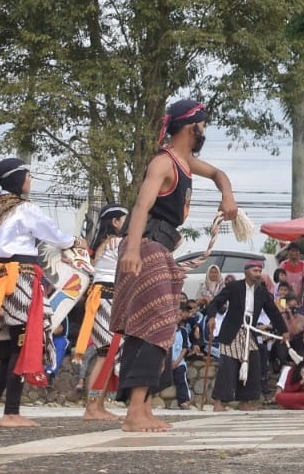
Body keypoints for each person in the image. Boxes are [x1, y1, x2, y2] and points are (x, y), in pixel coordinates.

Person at [113, 99, 237, 432]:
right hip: (146, 244)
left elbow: (218, 174)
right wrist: (134, 249)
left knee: (151, 328)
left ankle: (142, 407)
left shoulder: (185, 162)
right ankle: (135, 411)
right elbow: (142, 204)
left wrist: (228, 196)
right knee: (155, 326)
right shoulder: (163, 162)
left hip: (160, 247)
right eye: (203, 125)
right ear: (192, 127)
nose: (204, 131)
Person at [0, 158, 80, 429]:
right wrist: (73, 242)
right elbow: (52, 234)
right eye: (28, 176)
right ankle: (11, 412)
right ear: (18, 179)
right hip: (21, 278)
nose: (30, 181)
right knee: (24, 340)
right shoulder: (25, 209)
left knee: (8, 352)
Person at [206, 260, 287, 411]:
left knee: (253, 362)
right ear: (246, 272)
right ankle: (218, 402)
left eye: (259, 271)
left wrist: (284, 331)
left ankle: (246, 401)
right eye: (255, 271)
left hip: (249, 332)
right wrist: (211, 317)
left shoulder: (262, 292)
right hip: (231, 331)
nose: (258, 274)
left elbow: (274, 312)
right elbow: (215, 303)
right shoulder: (234, 287)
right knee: (227, 367)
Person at [74, 205, 129, 421]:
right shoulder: (116, 243)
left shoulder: (105, 243)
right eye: (126, 219)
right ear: (115, 222)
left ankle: (97, 405)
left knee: (107, 354)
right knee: (105, 353)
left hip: (105, 297)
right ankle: (92, 407)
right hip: (107, 297)